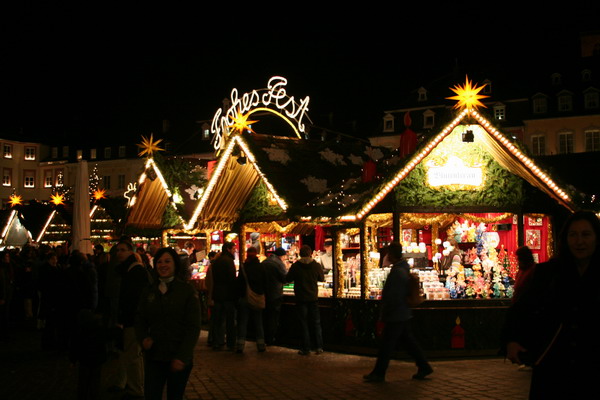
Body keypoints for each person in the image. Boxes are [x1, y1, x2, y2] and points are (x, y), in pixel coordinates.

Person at [504, 211, 600, 399]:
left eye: (586, 234)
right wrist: (512, 340)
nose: (579, 241)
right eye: (573, 235)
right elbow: (523, 307)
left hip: (592, 361)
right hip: (555, 361)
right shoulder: (549, 272)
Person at [136, 247, 201, 400]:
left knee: (175, 395)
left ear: (175, 264)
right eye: (159, 262)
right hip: (155, 355)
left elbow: (193, 326)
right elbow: (140, 318)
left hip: (178, 355)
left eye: (167, 261)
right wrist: (143, 338)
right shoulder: (149, 291)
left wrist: (183, 356)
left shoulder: (186, 291)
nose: (163, 265)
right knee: (152, 394)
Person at [364, 242, 432, 382]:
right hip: (402, 313)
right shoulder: (402, 269)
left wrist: (386, 311)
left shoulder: (397, 272)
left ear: (391, 255)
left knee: (387, 345)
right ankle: (424, 366)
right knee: (408, 342)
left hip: (396, 314)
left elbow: (393, 295)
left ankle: (379, 373)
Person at [113, 238, 151, 399]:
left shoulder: (134, 271)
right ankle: (132, 385)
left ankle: (136, 388)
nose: (119, 253)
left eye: (123, 250)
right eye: (118, 250)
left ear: (131, 252)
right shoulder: (126, 270)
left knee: (133, 354)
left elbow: (133, 298)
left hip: (133, 319)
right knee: (130, 353)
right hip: (130, 318)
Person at [285, 244, 324, 355]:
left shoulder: (296, 266)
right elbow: (321, 278)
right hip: (313, 297)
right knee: (316, 322)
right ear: (311, 254)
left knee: (303, 323)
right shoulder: (316, 265)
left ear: (300, 254)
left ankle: (305, 348)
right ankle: (319, 347)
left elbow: (288, 279)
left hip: (300, 298)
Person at [235, 246, 267, 353]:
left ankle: (240, 345)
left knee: (243, 322)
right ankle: (261, 345)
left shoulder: (244, 267)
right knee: (258, 322)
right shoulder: (261, 267)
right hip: (257, 296)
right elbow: (265, 282)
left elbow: (239, 283)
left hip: (245, 297)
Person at [210, 241, 238, 351]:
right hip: (228, 295)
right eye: (233, 248)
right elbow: (232, 279)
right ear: (228, 249)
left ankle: (217, 342)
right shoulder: (229, 261)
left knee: (218, 320)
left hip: (218, 294)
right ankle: (231, 343)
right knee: (230, 321)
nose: (235, 250)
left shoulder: (217, 261)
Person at [262, 247, 288, 345]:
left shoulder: (265, 262)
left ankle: (263, 338)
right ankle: (271, 338)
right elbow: (286, 278)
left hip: (264, 294)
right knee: (273, 318)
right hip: (275, 294)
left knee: (265, 317)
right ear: (282, 256)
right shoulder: (279, 264)